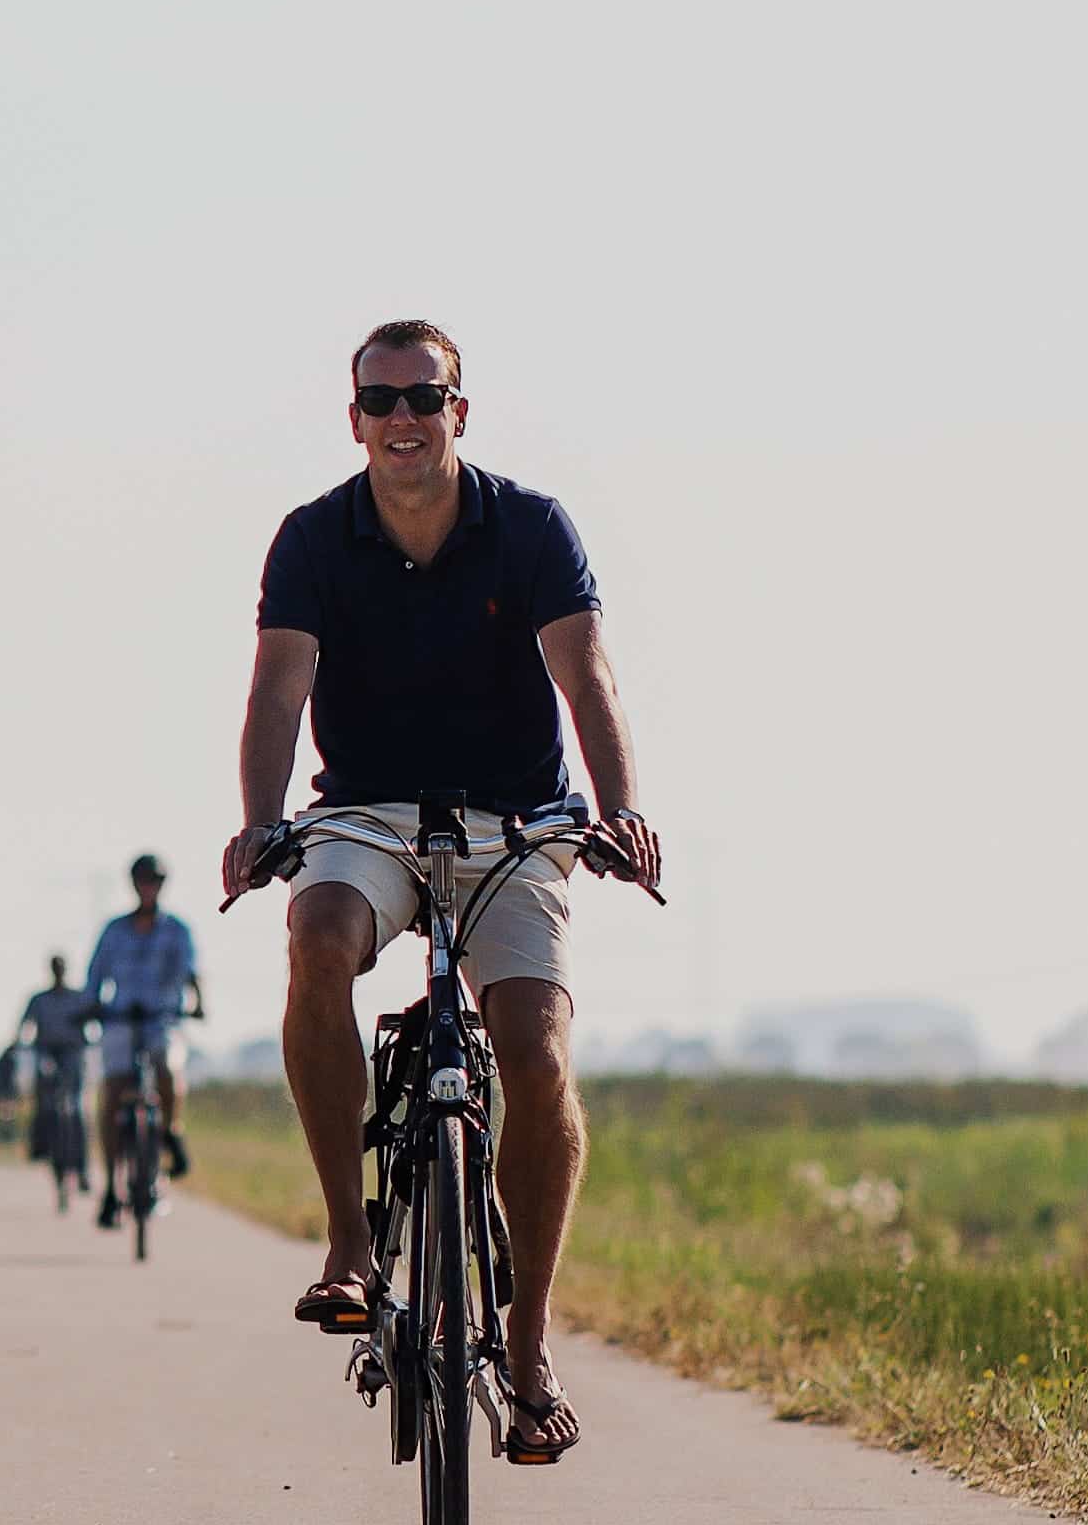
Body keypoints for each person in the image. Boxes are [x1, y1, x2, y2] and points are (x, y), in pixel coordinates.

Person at [220, 319, 659, 1464]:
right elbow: (277, 683)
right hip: (365, 814)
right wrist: (264, 820)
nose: (403, 418)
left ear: (461, 409)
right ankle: (349, 1241)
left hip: (509, 819)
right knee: (315, 932)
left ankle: (524, 1346)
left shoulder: (531, 528)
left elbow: (585, 670)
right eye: (381, 400)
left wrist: (615, 805)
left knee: (535, 1049)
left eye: (425, 396)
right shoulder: (314, 536)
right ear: (354, 416)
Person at [85, 852, 203, 1225]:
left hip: (160, 1019)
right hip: (120, 1020)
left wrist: (197, 1004)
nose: (149, 886)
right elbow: (95, 976)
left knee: (167, 1066)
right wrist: (90, 1007)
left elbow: (191, 973)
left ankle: (171, 1132)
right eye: (143, 879)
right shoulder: (114, 929)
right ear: (134, 883)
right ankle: (109, 1188)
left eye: (155, 880)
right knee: (112, 1090)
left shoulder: (176, 930)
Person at [1, 954, 95, 1189]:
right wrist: (16, 1043)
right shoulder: (39, 999)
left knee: (76, 1109)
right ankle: (40, 1145)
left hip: (73, 1054)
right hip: (46, 1052)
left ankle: (82, 1168)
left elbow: (93, 1026)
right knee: (45, 1102)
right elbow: (24, 1026)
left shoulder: (79, 998)